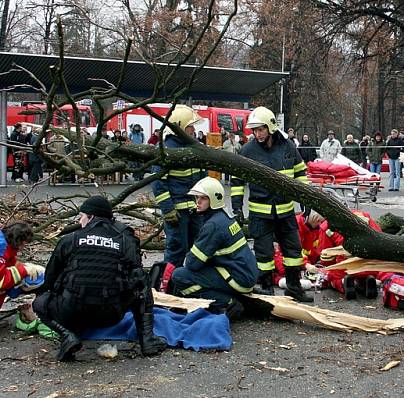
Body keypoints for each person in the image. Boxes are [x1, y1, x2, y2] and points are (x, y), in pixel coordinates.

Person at [33, 196, 166, 361]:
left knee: (40, 301)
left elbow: (50, 279)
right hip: (111, 314)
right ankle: (147, 341)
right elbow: (137, 279)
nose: (80, 221)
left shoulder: (70, 240)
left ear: (91, 217)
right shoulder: (125, 241)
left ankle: (67, 336)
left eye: (81, 216)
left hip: (72, 312)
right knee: (142, 286)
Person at [230, 106, 313, 302]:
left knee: (293, 251)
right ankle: (266, 290)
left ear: (271, 127)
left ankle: (294, 287)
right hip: (260, 214)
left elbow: (300, 173)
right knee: (264, 254)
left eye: (261, 129)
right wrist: (236, 208)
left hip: (285, 211)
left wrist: (306, 200)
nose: (257, 134)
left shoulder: (288, 147)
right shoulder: (247, 151)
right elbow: (237, 181)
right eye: (255, 130)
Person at [172, 177, 258, 319]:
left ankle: (227, 302)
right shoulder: (224, 216)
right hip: (244, 274)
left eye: (203, 198)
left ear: (213, 200)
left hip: (238, 279)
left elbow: (192, 264)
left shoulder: (213, 225)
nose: (197, 202)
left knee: (180, 276)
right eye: (197, 198)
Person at [151, 105, 207, 271]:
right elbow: (158, 183)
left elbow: (202, 179)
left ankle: (190, 283)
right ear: (180, 127)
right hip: (177, 212)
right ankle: (168, 285)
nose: (193, 130)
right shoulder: (165, 149)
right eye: (190, 126)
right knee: (176, 250)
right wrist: (168, 210)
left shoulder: (194, 147)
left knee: (198, 249)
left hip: (196, 210)